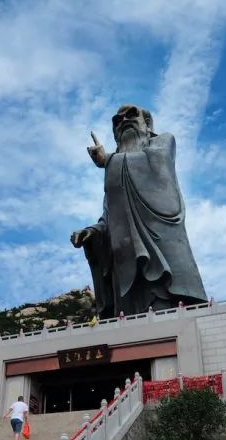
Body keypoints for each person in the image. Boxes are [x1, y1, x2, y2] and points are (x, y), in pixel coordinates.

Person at [71, 104, 208, 317]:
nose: (124, 121)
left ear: (148, 124)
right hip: (125, 263)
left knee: (167, 312)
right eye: (117, 121)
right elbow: (109, 217)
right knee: (129, 322)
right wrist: (94, 232)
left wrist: (107, 160)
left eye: (131, 115)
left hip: (161, 251)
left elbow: (159, 167)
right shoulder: (115, 174)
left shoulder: (163, 142)